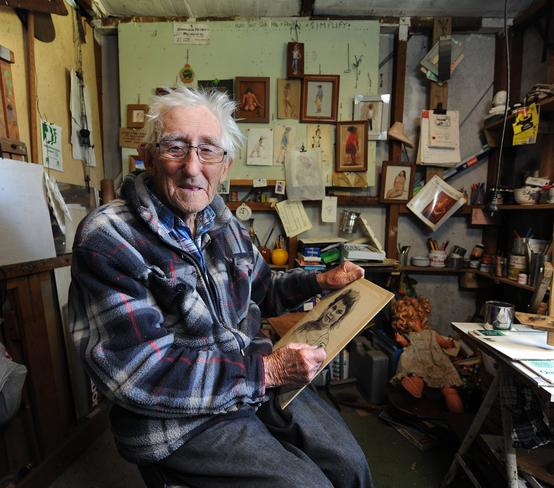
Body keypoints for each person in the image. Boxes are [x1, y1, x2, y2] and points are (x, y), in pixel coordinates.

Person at [69, 88, 372, 488]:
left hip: (251, 385)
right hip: (178, 422)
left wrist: (319, 280)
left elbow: (263, 289)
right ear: (147, 156)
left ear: (225, 165)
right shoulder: (109, 237)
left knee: (351, 466)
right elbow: (137, 373)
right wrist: (268, 371)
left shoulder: (220, 219)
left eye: (208, 150)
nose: (193, 167)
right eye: (175, 147)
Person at [390, 297, 464, 413]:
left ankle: (458, 415)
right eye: (410, 320)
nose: (413, 323)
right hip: (418, 361)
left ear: (421, 317)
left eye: (415, 318)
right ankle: (414, 394)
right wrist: (400, 340)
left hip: (435, 362)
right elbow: (405, 344)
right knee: (416, 377)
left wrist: (450, 342)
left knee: (448, 389)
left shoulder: (432, 333)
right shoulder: (411, 335)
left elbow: (445, 344)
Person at [286, 289, 360, 348]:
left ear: (340, 318)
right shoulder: (310, 323)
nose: (332, 313)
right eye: (333, 308)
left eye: (339, 312)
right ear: (329, 307)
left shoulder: (322, 342)